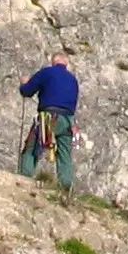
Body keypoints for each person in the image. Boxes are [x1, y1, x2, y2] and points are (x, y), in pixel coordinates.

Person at [17, 51, 80, 194]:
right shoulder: (73, 79)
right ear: (66, 63)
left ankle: (24, 179)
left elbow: (27, 91)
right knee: (64, 154)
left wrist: (23, 84)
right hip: (68, 121)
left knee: (32, 147)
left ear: (53, 61)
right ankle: (66, 188)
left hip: (49, 116)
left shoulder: (47, 73)